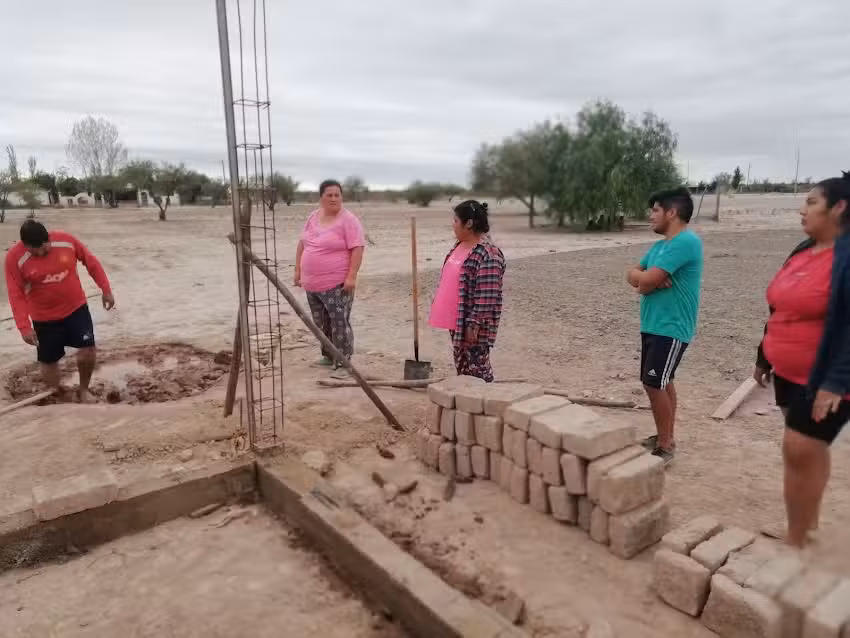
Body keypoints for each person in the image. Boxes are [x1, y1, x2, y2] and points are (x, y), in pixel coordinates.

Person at [754, 172, 850, 548]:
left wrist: (836, 382)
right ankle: (805, 527)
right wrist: (763, 356)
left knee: (799, 449)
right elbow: (779, 306)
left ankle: (797, 542)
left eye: (811, 202)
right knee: (808, 452)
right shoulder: (803, 250)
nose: (802, 209)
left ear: (839, 207)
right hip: (788, 371)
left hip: (827, 378)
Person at [627, 187, 703, 465]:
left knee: (653, 382)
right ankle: (664, 436)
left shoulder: (686, 242)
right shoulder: (660, 247)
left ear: (672, 212)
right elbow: (631, 274)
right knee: (661, 380)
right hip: (653, 324)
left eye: (655, 210)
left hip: (671, 326)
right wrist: (645, 279)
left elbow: (644, 281)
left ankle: (666, 444)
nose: (651, 216)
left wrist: (646, 281)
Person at [4, 220, 115, 402]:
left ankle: (83, 390)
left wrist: (106, 290)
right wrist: (23, 327)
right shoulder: (14, 258)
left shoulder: (66, 241)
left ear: (49, 238)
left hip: (76, 308)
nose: (41, 253)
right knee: (49, 360)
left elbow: (91, 262)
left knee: (88, 349)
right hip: (44, 318)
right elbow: (15, 293)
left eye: (44, 247)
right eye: (35, 250)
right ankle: (56, 393)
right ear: (25, 246)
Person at [294, 179, 365, 379]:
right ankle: (327, 355)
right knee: (320, 322)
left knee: (339, 322)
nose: (334, 199)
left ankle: (344, 361)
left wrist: (351, 276)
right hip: (312, 284)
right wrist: (297, 270)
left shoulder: (348, 220)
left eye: (337, 195)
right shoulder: (312, 217)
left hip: (337, 283)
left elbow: (357, 249)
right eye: (329, 195)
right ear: (321, 197)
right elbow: (302, 244)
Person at [429, 200, 505, 382]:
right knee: (463, 367)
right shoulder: (459, 246)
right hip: (458, 320)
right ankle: (466, 404)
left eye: (456, 221)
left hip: (473, 325)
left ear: (469, 223)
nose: (453, 225)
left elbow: (487, 294)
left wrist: (474, 323)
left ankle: (486, 402)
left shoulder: (488, 254)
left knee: (478, 369)